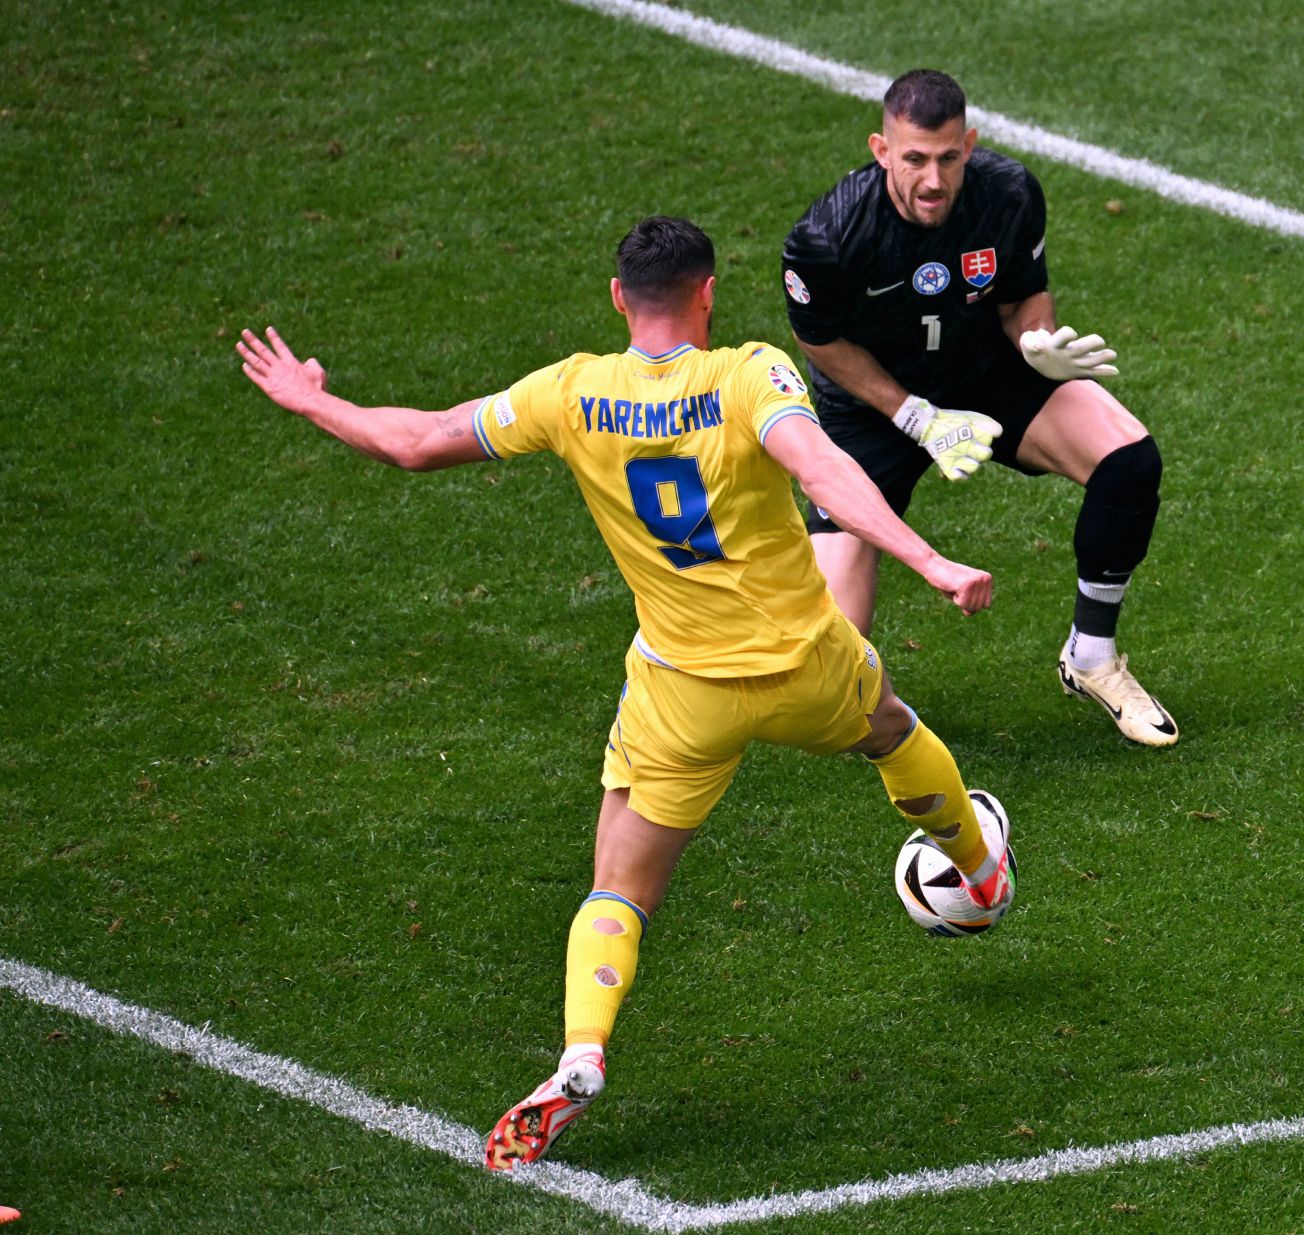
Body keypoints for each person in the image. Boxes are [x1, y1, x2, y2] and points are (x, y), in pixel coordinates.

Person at [236, 215, 1017, 1171]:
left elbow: (418, 443)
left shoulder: (571, 393)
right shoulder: (748, 374)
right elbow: (820, 466)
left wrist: (314, 400)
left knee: (621, 887)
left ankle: (582, 1051)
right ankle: (980, 872)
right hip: (806, 665)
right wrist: (930, 561)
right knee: (891, 730)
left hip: (682, 695)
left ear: (618, 298)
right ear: (708, 292)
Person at [782, 69, 1178, 748]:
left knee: (1129, 460)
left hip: (984, 370)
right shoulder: (829, 234)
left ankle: (1091, 657)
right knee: (829, 671)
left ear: (968, 144)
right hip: (874, 407)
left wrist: (1036, 344)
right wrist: (914, 416)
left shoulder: (1009, 193)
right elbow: (819, 340)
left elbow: (1024, 297)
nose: (933, 180)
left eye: (947, 158)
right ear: (881, 150)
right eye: (914, 159)